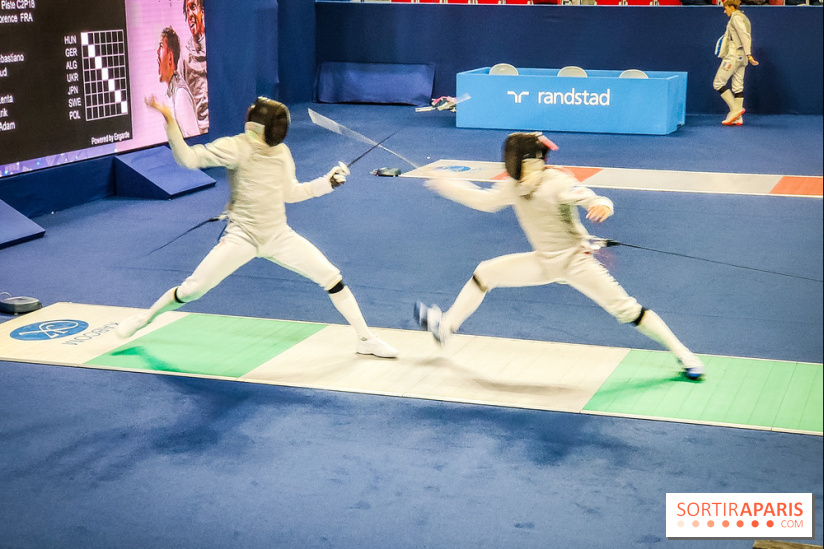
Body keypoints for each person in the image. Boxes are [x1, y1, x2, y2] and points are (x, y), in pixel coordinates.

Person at [116, 96, 399, 359]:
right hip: (242, 237)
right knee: (192, 291)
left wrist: (327, 183)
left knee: (331, 277)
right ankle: (144, 319)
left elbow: (290, 193)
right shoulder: (235, 146)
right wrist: (169, 118)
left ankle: (365, 340)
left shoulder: (282, 152)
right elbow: (188, 159)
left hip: (278, 235)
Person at [413, 132, 704, 380]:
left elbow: (590, 196)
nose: (543, 161)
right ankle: (446, 327)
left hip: (576, 262)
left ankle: (685, 355)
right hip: (544, 262)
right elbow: (483, 201)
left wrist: (603, 205)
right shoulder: (513, 187)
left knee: (627, 310)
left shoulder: (558, 182)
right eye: (539, 156)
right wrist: (445, 183)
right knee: (485, 273)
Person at [713, 0, 758, 126]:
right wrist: (747, 55)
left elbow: (744, 36)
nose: (724, 11)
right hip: (741, 57)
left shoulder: (736, 18)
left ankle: (735, 110)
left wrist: (749, 55)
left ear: (731, 7)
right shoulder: (743, 17)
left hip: (734, 55)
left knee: (718, 83)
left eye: (725, 8)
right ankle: (738, 118)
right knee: (738, 86)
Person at [157, 26, 199, 138]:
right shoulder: (173, 92)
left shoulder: (180, 94)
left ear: (170, 58)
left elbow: (193, 141)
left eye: (161, 46)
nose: (157, 52)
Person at [179, 0, 208, 133]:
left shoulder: (216, 50)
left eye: (192, 7)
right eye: (187, 10)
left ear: (202, 12)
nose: (190, 14)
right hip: (198, 134)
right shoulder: (185, 57)